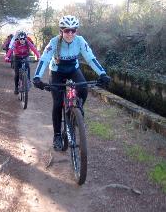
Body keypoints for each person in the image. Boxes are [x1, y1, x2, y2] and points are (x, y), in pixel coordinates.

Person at [33, 15, 110, 151]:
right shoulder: (54, 42)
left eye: (73, 30)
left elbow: (91, 58)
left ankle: (77, 112)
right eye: (66, 30)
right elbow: (44, 59)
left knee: (84, 88)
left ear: (76, 31)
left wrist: (102, 73)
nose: (70, 33)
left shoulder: (80, 41)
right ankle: (57, 135)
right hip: (57, 71)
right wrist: (37, 77)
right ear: (61, 31)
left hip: (73, 69)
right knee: (57, 103)